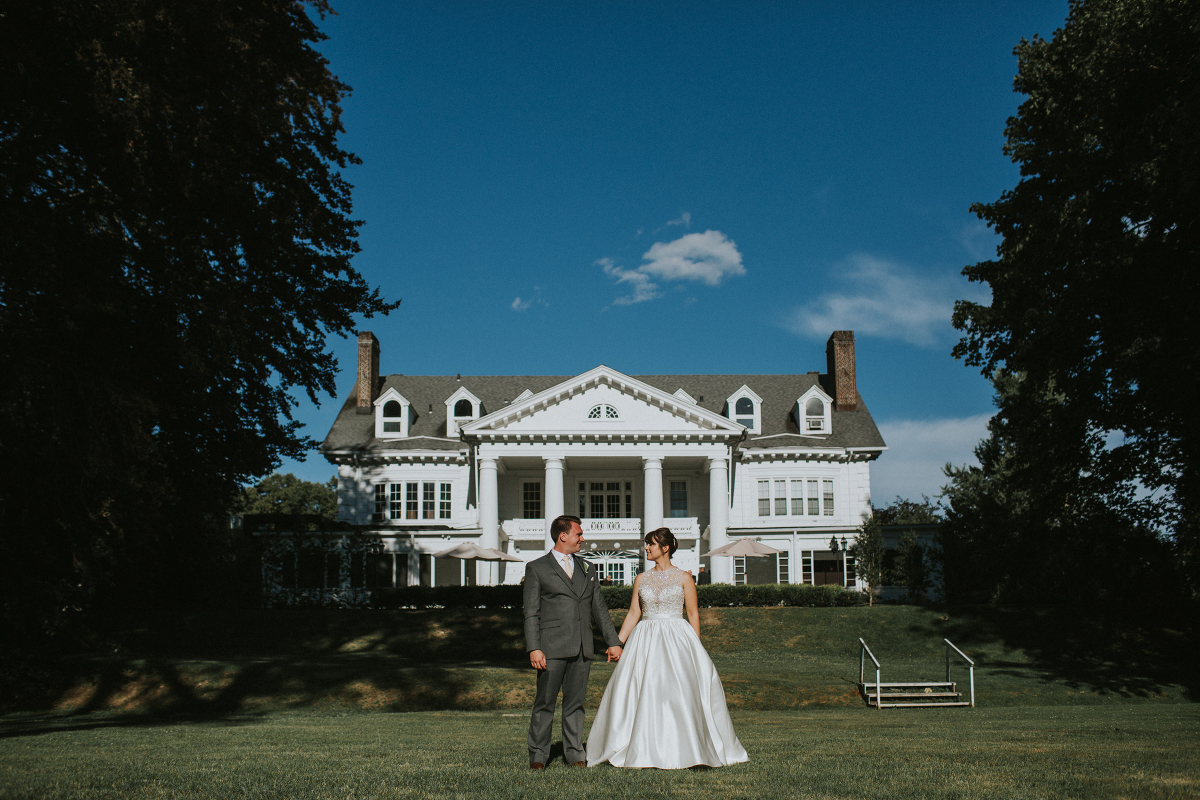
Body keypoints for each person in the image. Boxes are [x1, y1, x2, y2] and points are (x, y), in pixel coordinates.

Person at [586, 528, 748, 769]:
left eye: (650, 544)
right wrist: (616, 642)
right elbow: (634, 613)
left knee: (679, 694)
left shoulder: (684, 577)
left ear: (665, 547)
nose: (646, 548)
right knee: (642, 691)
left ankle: (688, 748)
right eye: (646, 544)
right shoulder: (641, 578)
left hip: (677, 639)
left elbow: (693, 614)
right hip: (645, 638)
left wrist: (696, 648)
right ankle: (641, 746)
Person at [524, 515, 623, 770]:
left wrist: (614, 642)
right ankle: (538, 755)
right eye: (578, 534)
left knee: (575, 704)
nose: (583, 538)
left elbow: (599, 609)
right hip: (550, 647)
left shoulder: (588, 568)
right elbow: (531, 613)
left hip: (582, 647)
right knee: (545, 703)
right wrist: (534, 647)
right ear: (563, 536)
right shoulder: (537, 568)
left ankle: (575, 753)